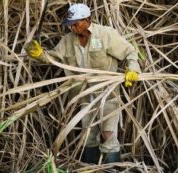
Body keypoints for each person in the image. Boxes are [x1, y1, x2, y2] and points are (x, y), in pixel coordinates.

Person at [25, 3, 141, 164]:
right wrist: (39, 54)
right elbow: (53, 59)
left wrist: (133, 69)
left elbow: (130, 51)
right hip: (84, 96)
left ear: (87, 20)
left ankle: (113, 168)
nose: (72, 28)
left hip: (107, 94)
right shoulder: (67, 41)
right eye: (70, 24)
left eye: (76, 23)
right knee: (88, 135)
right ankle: (90, 167)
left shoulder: (105, 35)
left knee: (108, 135)